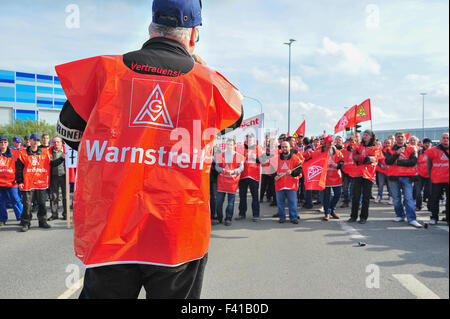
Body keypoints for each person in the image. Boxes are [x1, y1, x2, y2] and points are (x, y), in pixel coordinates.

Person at [55, 0, 243, 299]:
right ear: (194, 34)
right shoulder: (208, 83)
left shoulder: (105, 71)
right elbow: (236, 117)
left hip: (112, 228)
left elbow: (67, 130)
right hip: (177, 233)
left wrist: (122, 148)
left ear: (151, 27)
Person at [15, 134, 65, 231]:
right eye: (34, 140)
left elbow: (52, 163)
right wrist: (20, 181)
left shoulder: (45, 153)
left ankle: (42, 221)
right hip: (28, 184)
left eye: (37, 140)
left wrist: (62, 158)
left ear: (39, 142)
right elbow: (19, 169)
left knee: (42, 204)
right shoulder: (23, 153)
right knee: (27, 205)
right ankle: (26, 223)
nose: (36, 142)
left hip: (41, 183)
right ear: (30, 141)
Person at [385, 132, 422, 228]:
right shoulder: (390, 149)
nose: (400, 138)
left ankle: (412, 219)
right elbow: (388, 161)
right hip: (393, 177)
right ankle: (400, 215)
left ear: (405, 138)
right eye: (398, 137)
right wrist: (397, 153)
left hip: (407, 177)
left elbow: (413, 162)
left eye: (402, 137)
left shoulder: (411, 148)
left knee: (408, 198)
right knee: (396, 198)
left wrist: (398, 162)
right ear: (395, 139)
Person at [348, 130, 381, 224]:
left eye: (367, 135)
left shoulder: (376, 147)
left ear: (371, 137)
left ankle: (363, 217)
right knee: (355, 196)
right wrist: (365, 158)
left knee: (366, 197)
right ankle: (353, 216)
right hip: (357, 173)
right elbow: (355, 157)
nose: (364, 136)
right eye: (364, 135)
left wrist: (363, 159)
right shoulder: (358, 146)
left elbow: (373, 159)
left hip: (369, 175)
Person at [214, 139, 244, 226]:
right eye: (227, 144)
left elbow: (241, 168)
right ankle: (219, 218)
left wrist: (233, 171)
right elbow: (216, 166)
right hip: (222, 182)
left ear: (234, 145)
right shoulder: (220, 155)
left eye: (231, 144)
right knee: (219, 202)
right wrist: (221, 170)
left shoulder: (239, 156)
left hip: (232, 182)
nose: (229, 146)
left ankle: (228, 218)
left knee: (230, 202)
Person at [313, 136, 344, 221]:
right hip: (325, 178)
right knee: (326, 196)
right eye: (329, 142)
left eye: (331, 142)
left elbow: (342, 162)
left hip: (336, 177)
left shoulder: (337, 152)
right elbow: (314, 163)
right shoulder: (318, 152)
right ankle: (327, 212)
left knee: (338, 194)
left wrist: (337, 165)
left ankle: (332, 209)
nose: (330, 144)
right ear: (325, 143)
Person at [236, 133, 266, 222]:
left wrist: (257, 158)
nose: (249, 140)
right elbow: (236, 159)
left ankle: (255, 215)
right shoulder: (241, 148)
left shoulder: (259, 148)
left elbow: (264, 160)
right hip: (243, 176)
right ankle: (241, 213)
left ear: (254, 139)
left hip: (254, 176)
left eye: (251, 139)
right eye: (248, 138)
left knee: (255, 197)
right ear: (246, 139)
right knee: (242, 196)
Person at [274, 141, 303, 224]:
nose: (284, 148)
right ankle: (282, 217)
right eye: (282, 147)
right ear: (281, 148)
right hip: (279, 184)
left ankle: (293, 217)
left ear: (290, 147)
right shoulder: (277, 158)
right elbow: (271, 169)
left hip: (291, 184)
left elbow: (300, 168)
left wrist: (292, 173)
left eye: (286, 147)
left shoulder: (295, 158)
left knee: (292, 202)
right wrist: (274, 176)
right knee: (280, 203)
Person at [426, 133, 449, 225]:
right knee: (434, 199)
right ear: (440, 139)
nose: (445, 139)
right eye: (444, 138)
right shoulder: (433, 150)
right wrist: (430, 176)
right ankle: (434, 217)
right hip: (436, 179)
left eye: (447, 138)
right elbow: (429, 165)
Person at [0, 137, 23, 226]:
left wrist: (19, 179)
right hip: (0, 183)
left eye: (5, 142)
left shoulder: (13, 153)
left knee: (16, 199)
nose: (3, 144)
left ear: (8, 143)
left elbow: (19, 167)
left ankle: (21, 218)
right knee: (1, 201)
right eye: (1, 142)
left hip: (12, 182)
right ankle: (2, 219)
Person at [48, 137, 67, 221]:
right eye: (54, 142)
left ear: (61, 142)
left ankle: (66, 214)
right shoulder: (49, 152)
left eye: (58, 142)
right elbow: (51, 164)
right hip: (54, 176)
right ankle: (54, 214)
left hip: (65, 176)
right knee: (54, 196)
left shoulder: (67, 150)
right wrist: (61, 158)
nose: (56, 144)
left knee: (66, 196)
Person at [341, 136, 359, 208]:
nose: (351, 143)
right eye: (349, 141)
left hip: (355, 172)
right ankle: (346, 201)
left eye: (353, 141)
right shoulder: (343, 151)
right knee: (345, 188)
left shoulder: (358, 150)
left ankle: (357, 203)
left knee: (355, 189)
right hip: (346, 172)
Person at [415, 138, 432, 211]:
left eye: (428, 143)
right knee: (418, 192)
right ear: (423, 144)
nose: (427, 144)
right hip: (420, 175)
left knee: (430, 192)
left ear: (431, 144)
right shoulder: (419, 151)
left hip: (430, 175)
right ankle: (419, 206)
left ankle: (430, 206)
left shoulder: (433, 151)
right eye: (425, 143)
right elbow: (415, 162)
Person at [375, 139, 393, 204]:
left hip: (389, 170)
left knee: (390, 185)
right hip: (381, 170)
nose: (387, 144)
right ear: (383, 143)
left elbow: (393, 160)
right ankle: (379, 196)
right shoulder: (380, 150)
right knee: (381, 184)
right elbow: (377, 159)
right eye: (386, 143)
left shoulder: (392, 151)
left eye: (388, 143)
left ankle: (391, 197)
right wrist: (381, 165)